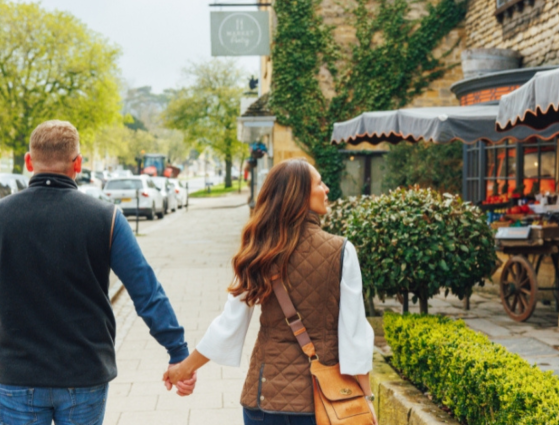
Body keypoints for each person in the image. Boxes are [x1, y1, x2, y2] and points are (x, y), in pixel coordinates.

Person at [0, 120, 195, 425]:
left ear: (28, 162)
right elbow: (146, 291)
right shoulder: (106, 219)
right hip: (84, 372)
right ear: (77, 164)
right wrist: (178, 352)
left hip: (15, 374)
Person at [164, 158, 378, 425]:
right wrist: (366, 400)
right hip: (324, 403)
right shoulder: (341, 251)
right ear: (299, 195)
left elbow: (228, 327)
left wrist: (183, 369)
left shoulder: (259, 251)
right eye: (319, 183)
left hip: (263, 401)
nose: (327, 189)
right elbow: (354, 335)